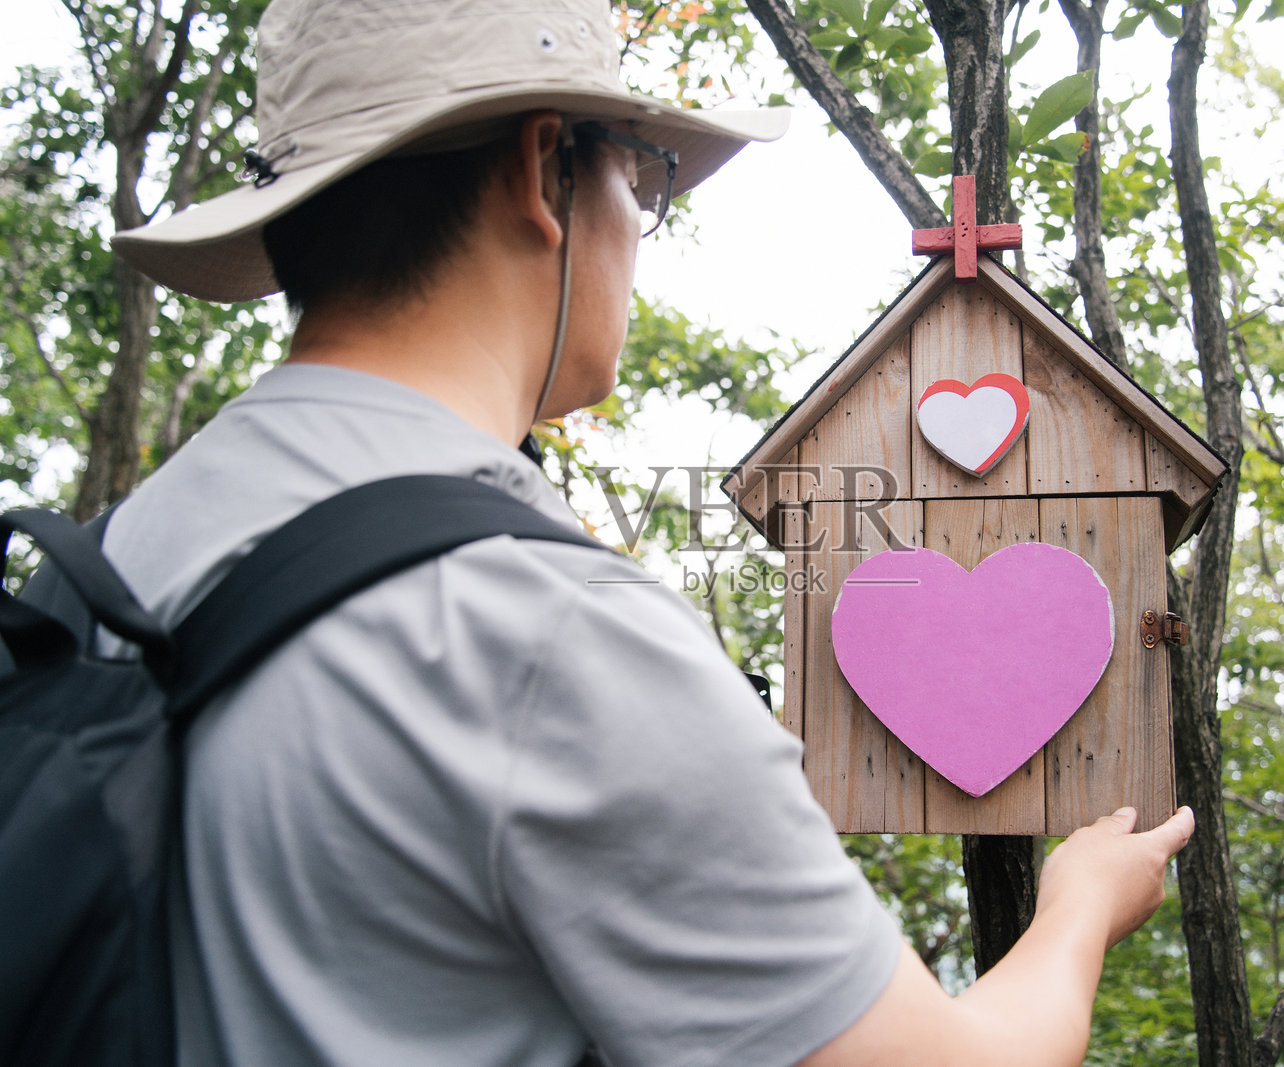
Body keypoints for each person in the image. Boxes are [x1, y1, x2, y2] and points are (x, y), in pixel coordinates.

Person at [109, 1, 1195, 1064]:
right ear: (543, 173)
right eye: (641, 175)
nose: (639, 223)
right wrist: (1078, 906)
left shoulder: (117, 550)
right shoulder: (551, 634)